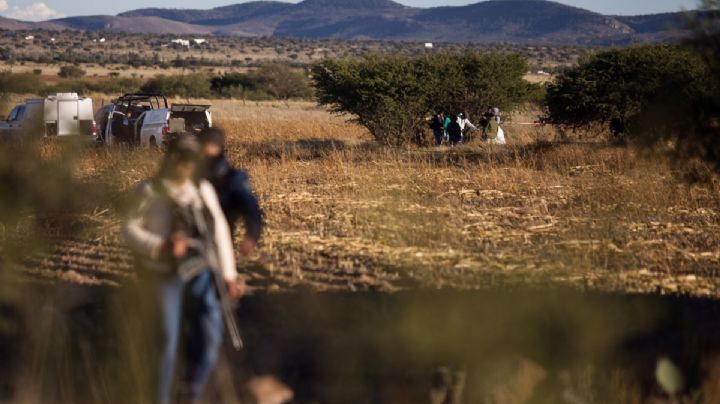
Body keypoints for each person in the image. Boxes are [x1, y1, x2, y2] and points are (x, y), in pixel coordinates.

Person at [123, 136, 241, 404]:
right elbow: (128, 228)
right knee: (167, 341)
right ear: (171, 158)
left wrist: (229, 274)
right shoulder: (149, 190)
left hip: (200, 271)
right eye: (181, 158)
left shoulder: (202, 189)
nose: (185, 165)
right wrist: (160, 245)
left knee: (211, 337)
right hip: (163, 274)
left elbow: (220, 231)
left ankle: (190, 393)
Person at [198, 128, 263, 256]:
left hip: (221, 243)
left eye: (209, 145)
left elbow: (250, 208)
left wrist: (252, 235)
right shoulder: (191, 174)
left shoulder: (232, 179)